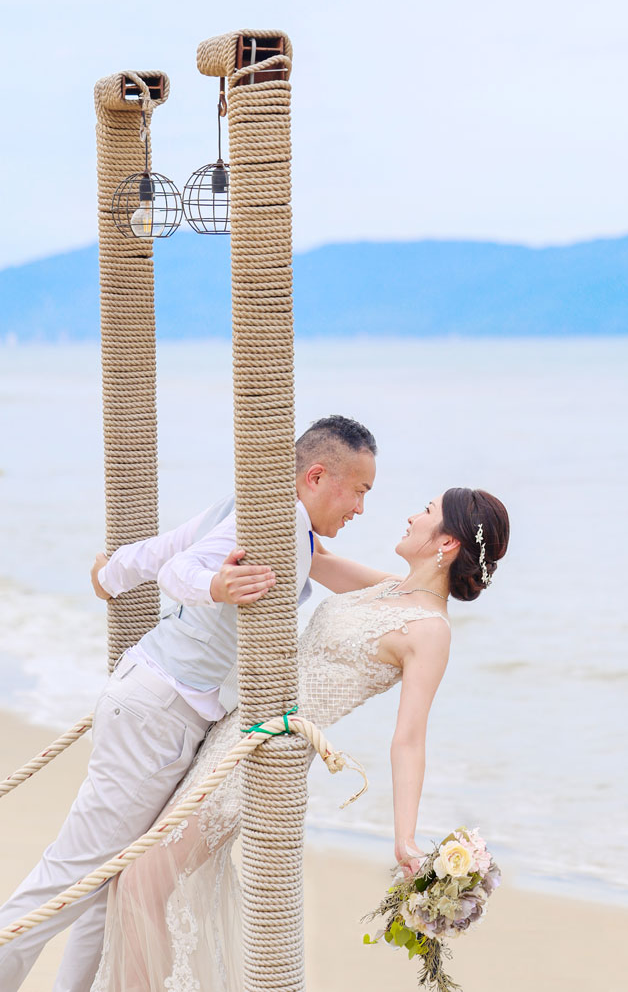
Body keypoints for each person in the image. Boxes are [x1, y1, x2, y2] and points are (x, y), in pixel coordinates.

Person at [0, 416, 377, 992]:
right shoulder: (278, 519)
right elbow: (180, 567)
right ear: (318, 476)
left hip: (156, 709)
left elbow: (167, 546)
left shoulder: (269, 517)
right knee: (71, 876)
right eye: (360, 491)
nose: (361, 508)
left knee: (103, 886)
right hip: (156, 712)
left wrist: (110, 577)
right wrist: (215, 587)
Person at [89, 487, 510, 992]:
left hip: (269, 754)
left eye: (426, 512)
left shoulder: (430, 631)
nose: (410, 516)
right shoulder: (387, 589)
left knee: (142, 883)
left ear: (446, 543)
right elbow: (309, 550)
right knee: (140, 882)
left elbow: (409, 739)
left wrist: (405, 838)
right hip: (237, 727)